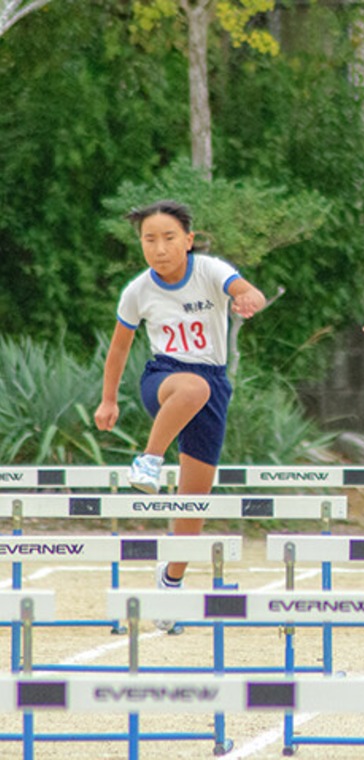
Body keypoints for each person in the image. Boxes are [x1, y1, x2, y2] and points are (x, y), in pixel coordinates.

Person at [94, 200, 266, 632]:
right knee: (191, 386)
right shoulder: (138, 291)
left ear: (187, 241)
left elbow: (240, 286)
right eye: (149, 240)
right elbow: (119, 348)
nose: (159, 248)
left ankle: (170, 581)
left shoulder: (208, 269)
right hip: (165, 380)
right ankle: (148, 460)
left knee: (193, 501)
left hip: (214, 384)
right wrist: (108, 400)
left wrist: (248, 295)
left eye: (168, 238)